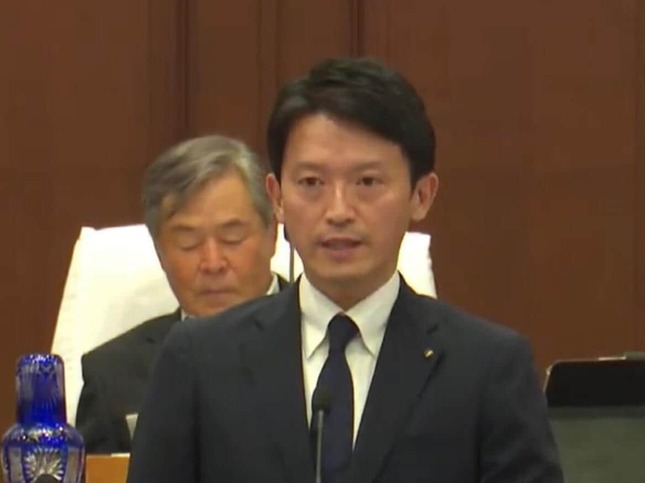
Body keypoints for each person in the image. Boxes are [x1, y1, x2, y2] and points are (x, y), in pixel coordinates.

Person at [127, 58, 563, 482]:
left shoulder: (487, 368)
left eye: (367, 182)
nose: (338, 211)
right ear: (277, 198)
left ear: (421, 195)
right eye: (311, 183)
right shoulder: (200, 360)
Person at [76, 135, 287, 454]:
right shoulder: (112, 377)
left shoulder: (327, 339)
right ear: (160, 251)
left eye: (232, 237)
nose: (213, 263)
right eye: (189, 243)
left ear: (272, 233)